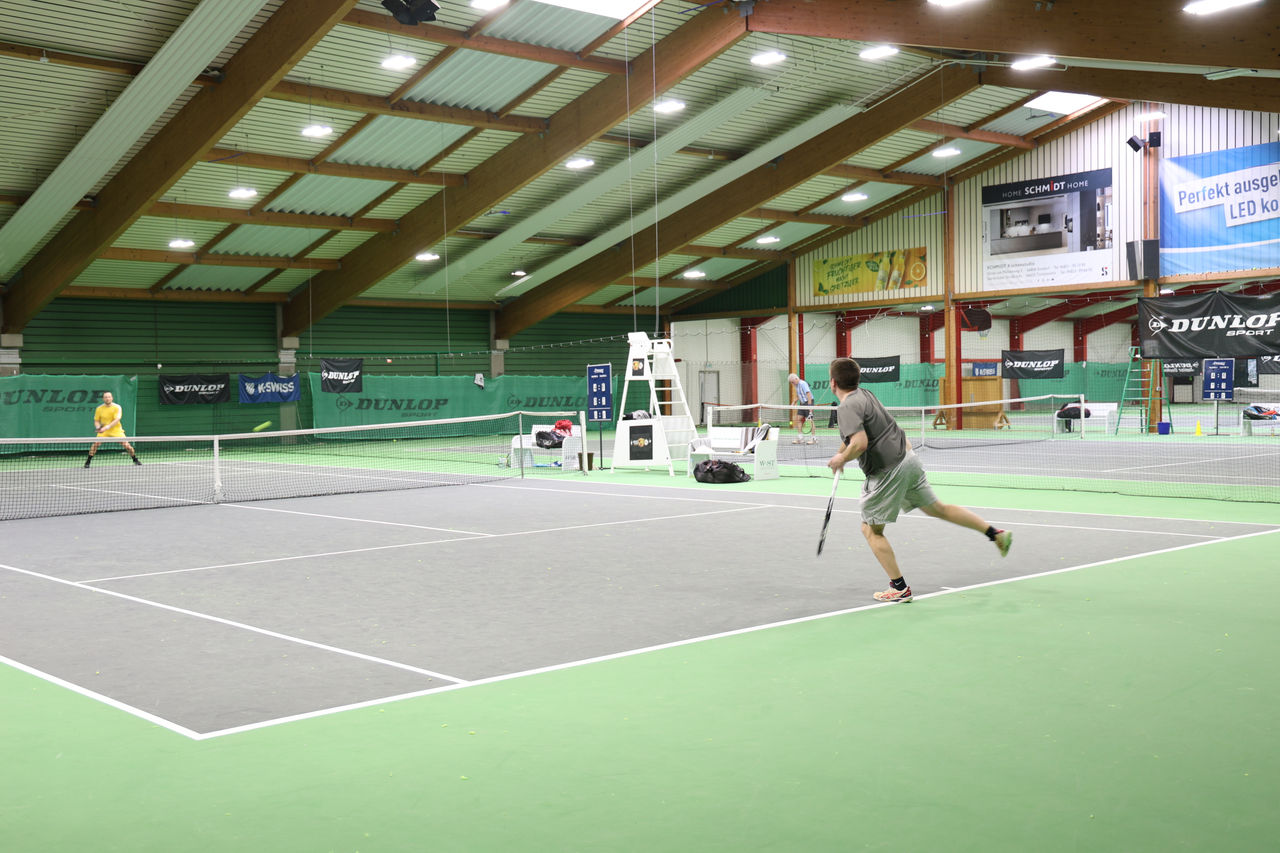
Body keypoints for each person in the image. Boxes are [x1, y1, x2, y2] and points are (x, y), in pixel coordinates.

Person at [825, 357, 1010, 603]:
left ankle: (899, 588)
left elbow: (859, 443)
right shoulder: (865, 394)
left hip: (888, 471)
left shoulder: (846, 407)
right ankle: (994, 533)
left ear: (833, 383)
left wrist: (841, 460)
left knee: (870, 529)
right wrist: (841, 454)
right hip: (908, 459)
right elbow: (852, 438)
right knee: (938, 509)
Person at [85, 391, 141, 467]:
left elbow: (117, 420)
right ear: (103, 399)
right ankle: (88, 462)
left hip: (116, 431)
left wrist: (106, 427)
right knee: (95, 444)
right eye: (105, 397)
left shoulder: (117, 407)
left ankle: (135, 459)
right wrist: (98, 428)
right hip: (104, 432)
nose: (107, 399)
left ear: (112, 398)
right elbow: (96, 421)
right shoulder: (99, 408)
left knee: (127, 446)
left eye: (109, 397)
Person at [787, 372, 817, 444]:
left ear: (796, 379)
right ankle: (800, 438)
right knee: (798, 419)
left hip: (808, 402)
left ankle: (813, 439)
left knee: (810, 420)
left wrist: (809, 406)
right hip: (802, 403)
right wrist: (794, 402)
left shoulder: (803, 384)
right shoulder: (796, 385)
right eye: (791, 383)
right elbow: (799, 394)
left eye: (793, 382)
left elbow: (808, 394)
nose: (792, 384)